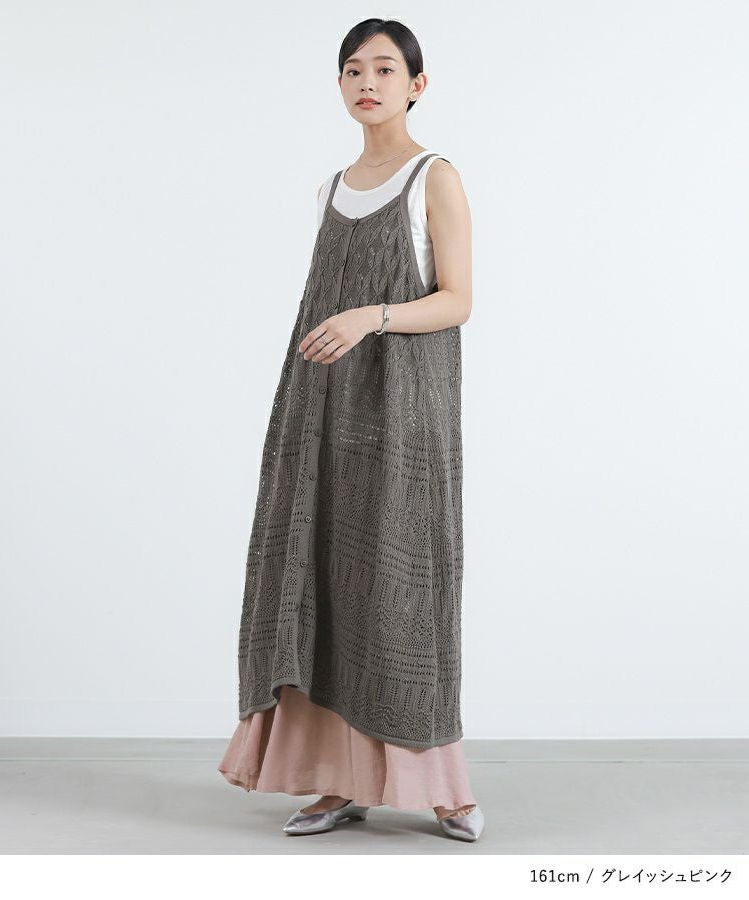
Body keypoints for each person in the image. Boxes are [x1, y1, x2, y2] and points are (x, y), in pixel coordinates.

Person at [218, 17, 484, 843]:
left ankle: (443, 788)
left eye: (385, 68)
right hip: (322, 414)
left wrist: (372, 316)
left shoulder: (435, 177)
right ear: (339, 85)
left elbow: (458, 300)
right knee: (321, 583)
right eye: (353, 70)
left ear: (417, 84)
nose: (367, 82)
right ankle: (337, 782)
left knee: (403, 588)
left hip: (404, 416)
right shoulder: (331, 187)